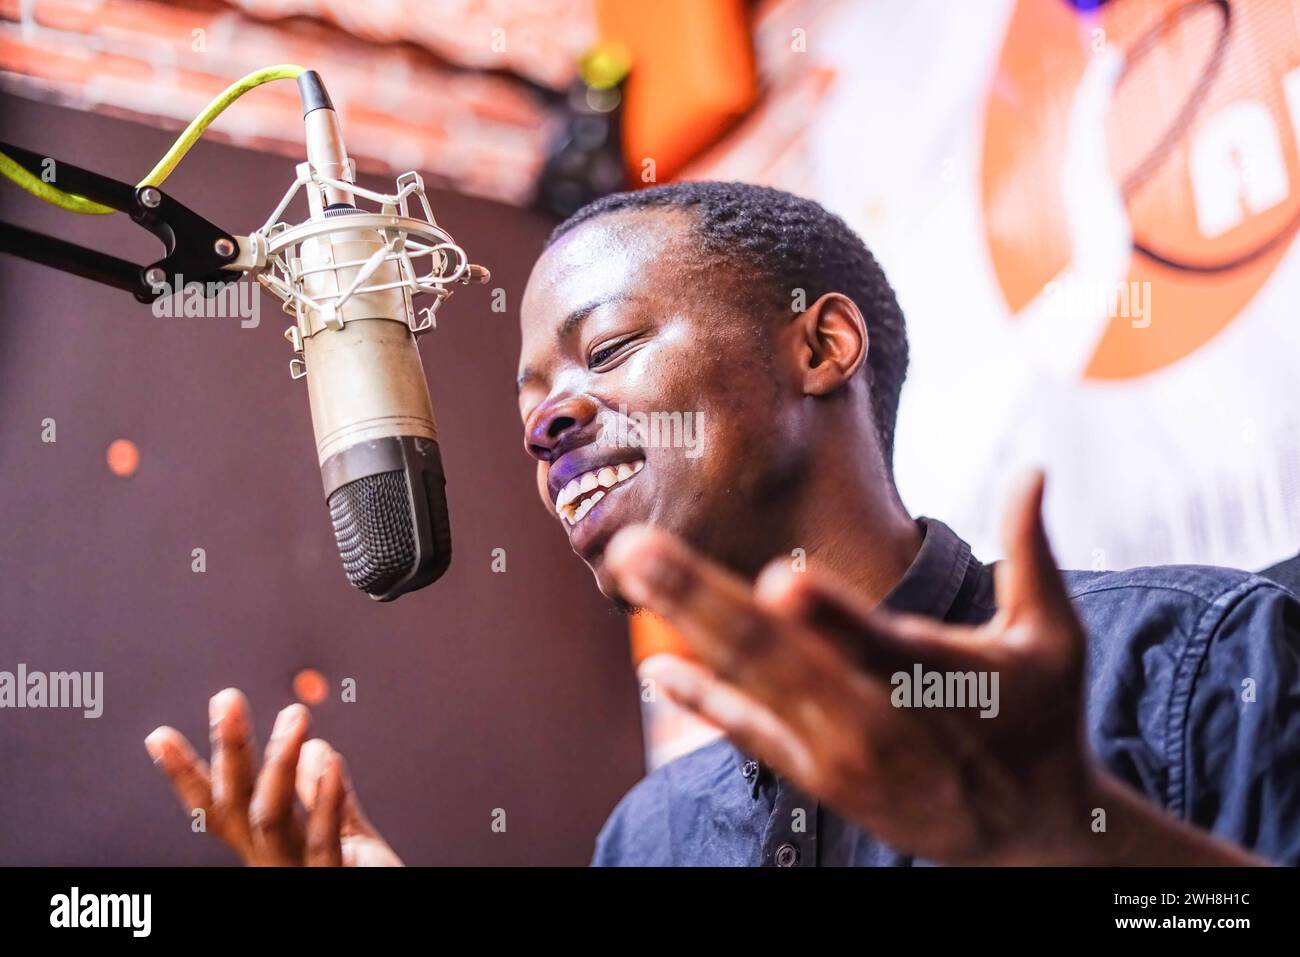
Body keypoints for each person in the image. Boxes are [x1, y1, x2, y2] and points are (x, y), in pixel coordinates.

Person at [145, 182, 1300, 866]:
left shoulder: (1197, 663)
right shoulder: (647, 838)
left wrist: (1063, 841)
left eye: (603, 352)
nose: (547, 423)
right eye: (530, 397)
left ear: (819, 346)